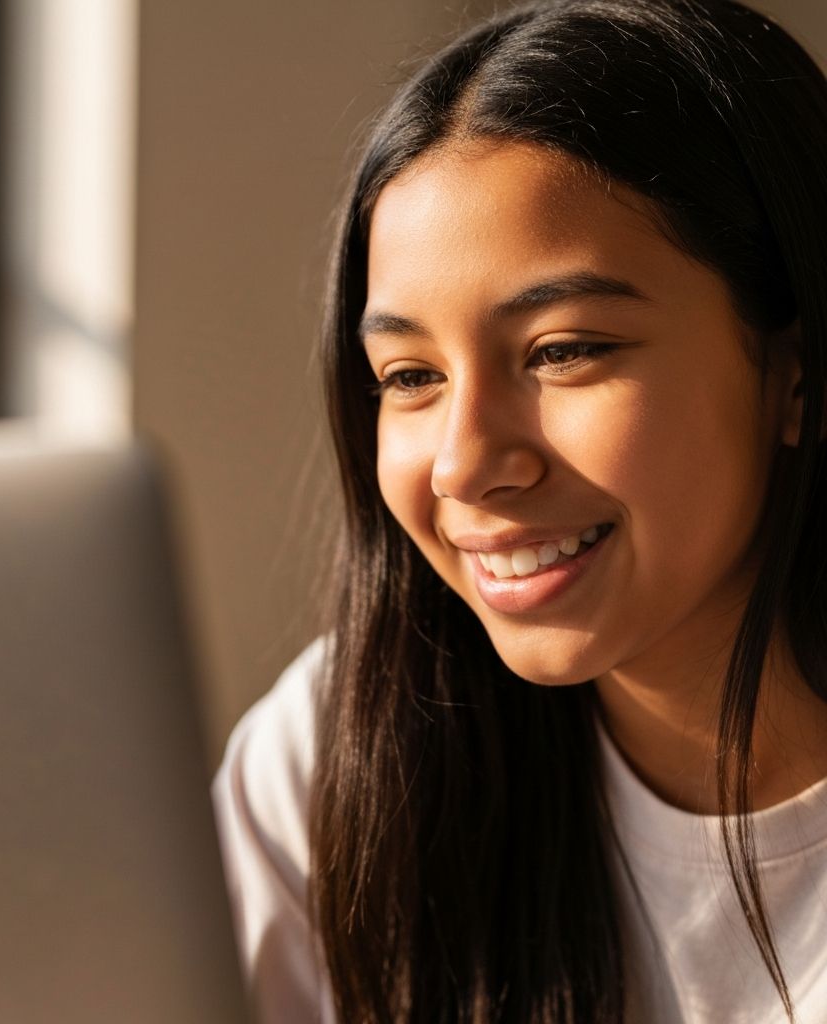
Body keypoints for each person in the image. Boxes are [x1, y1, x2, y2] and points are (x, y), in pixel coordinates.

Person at [212, 1, 827, 1021]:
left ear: (796, 373)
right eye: (408, 374)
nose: (463, 464)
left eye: (562, 351)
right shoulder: (342, 750)